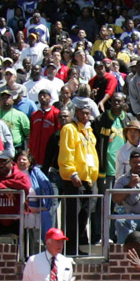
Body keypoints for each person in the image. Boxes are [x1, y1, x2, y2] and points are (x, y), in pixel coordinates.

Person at [57, 105, 98, 254]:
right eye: (83, 113)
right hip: (74, 180)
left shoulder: (89, 131)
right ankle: (70, 248)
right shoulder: (69, 129)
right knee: (73, 215)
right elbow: (66, 152)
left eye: (88, 113)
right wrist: (72, 173)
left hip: (88, 179)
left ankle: (77, 246)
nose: (86, 116)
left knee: (84, 215)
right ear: (77, 113)